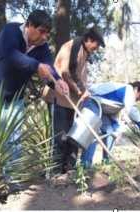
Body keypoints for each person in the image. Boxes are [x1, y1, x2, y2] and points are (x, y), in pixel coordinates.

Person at [0, 10, 68, 161]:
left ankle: (13, 183)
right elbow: (11, 55)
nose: (44, 37)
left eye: (47, 33)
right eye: (41, 31)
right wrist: (37, 66)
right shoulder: (11, 31)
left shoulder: (43, 47)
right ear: (29, 25)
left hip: (15, 100)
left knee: (14, 143)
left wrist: (57, 81)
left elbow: (48, 68)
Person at [42, 27, 105, 173]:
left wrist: (83, 91)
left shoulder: (84, 52)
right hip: (59, 98)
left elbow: (78, 75)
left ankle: (69, 169)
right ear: (89, 40)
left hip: (73, 102)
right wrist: (78, 90)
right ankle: (56, 172)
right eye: (96, 45)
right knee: (60, 136)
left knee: (74, 136)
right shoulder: (73, 46)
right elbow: (65, 73)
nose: (95, 49)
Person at [78, 81, 140, 168]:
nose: (137, 100)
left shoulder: (120, 98)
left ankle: (106, 163)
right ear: (136, 90)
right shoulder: (129, 90)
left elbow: (113, 113)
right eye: (139, 97)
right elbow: (132, 111)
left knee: (111, 132)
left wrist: (117, 128)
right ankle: (85, 166)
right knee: (93, 132)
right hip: (93, 101)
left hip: (102, 108)